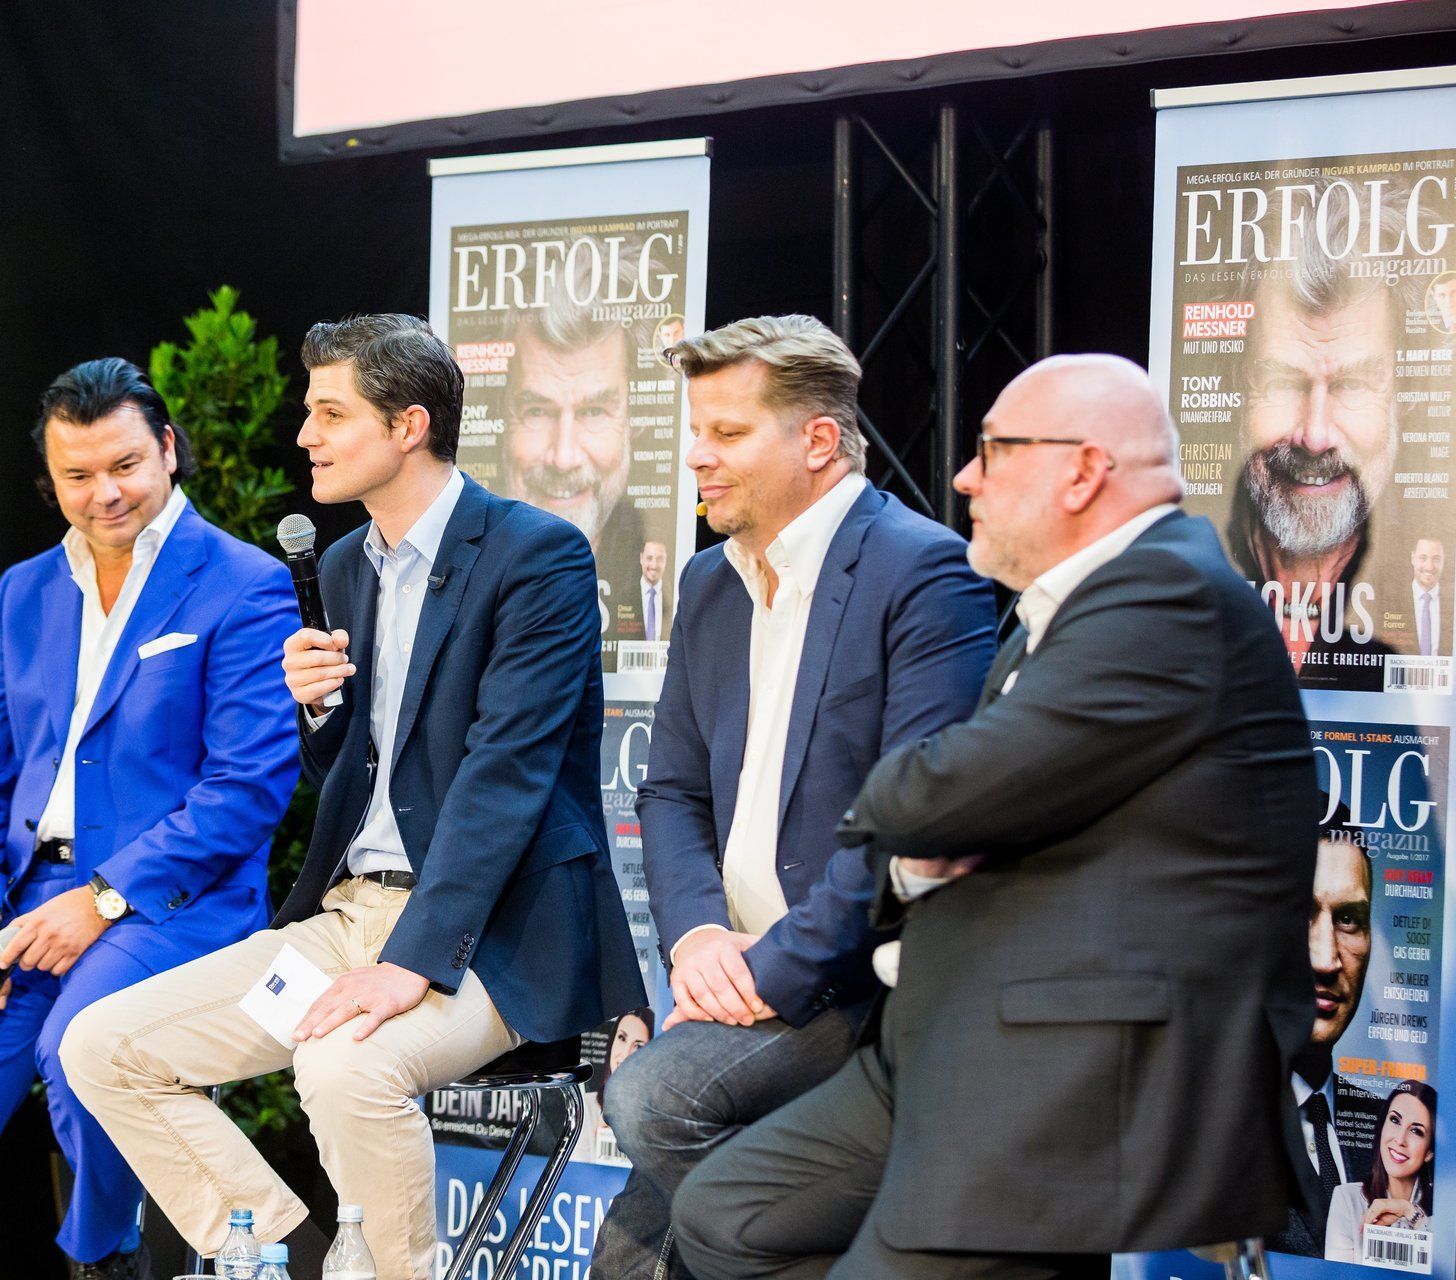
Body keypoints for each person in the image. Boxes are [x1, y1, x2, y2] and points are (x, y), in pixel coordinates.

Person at [670, 355, 1317, 1279]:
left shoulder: (1166, 596)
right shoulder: (1066, 607)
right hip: (955, 1042)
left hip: (1074, 1076)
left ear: (1083, 471)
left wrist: (912, 829)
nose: (965, 477)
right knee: (721, 1217)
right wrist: (922, 839)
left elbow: (926, 792)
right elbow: (957, 801)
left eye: (995, 451)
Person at [63, 315, 644, 1280]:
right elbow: (355, 776)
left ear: (408, 426)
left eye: (331, 414)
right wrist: (319, 711)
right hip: (347, 919)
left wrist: (411, 960)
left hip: (495, 927)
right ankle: (285, 1261)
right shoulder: (338, 568)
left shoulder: (536, 555)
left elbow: (506, 777)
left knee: (344, 1067)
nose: (306, 436)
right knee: (102, 1044)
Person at [0, 359, 300, 1280]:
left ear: (167, 449)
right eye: (77, 475)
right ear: (51, 477)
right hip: (22, 904)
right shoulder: (25, 590)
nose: (104, 493)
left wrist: (105, 898)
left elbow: (246, 789)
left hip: (171, 904)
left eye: (124, 465)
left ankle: (106, 1257)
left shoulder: (244, 583)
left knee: (82, 1053)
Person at [589, 316, 995, 1280]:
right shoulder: (709, 582)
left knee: (649, 1101)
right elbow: (671, 789)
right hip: (733, 971)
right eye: (696, 431)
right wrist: (697, 943)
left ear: (817, 441)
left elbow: (910, 828)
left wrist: (762, 977)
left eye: (727, 433)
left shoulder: (923, 568)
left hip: (856, 986)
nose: (697, 456)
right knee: (627, 1262)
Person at [1230, 193, 1407, 687]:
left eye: (1352, 384)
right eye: (1282, 382)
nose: (1314, 435)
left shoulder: (1429, 608)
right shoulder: (1180, 590)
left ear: (1402, 396)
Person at [503, 239, 648, 631]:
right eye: (536, 411)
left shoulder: (675, 583)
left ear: (633, 420)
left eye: (595, 411)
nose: (563, 457)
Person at [1272, 809, 1381, 1256]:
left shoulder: (1395, 1129)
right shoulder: (1195, 1121)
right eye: (1300, 912)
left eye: (1349, 919)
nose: (1325, 959)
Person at [1324, 1081, 1435, 1265]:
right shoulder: (1347, 1199)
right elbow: (1338, 1274)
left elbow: (1444, 1266)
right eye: (1395, 1120)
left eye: (1416, 1131)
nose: (1400, 1139)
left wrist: (1410, 1212)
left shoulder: (1445, 1208)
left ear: (1429, 1152)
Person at [1405, 537, 1445, 657]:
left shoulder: (1452, 601)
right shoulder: (1392, 599)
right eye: (1423, 558)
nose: (1429, 567)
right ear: (1413, 558)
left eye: (1436, 559)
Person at [631, 538, 670, 643]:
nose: (654, 565)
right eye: (649, 558)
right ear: (641, 558)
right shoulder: (625, 595)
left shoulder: (674, 597)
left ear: (666, 560)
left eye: (660, 559)